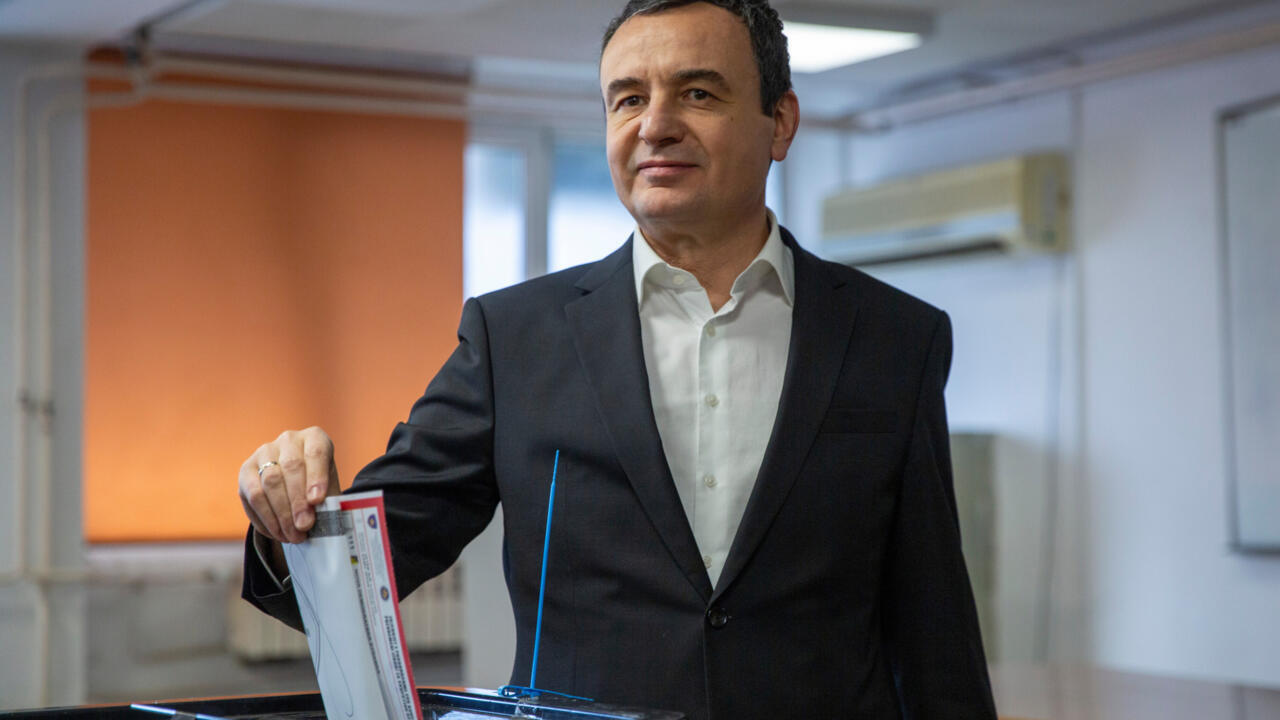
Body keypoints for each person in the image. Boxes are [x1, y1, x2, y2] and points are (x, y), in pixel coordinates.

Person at [238, 1, 998, 718]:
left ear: (780, 121)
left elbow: (933, 621)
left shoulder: (894, 337)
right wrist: (286, 511)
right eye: (628, 99)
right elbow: (374, 559)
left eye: (698, 93)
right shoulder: (515, 338)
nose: (656, 125)